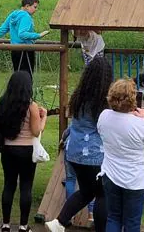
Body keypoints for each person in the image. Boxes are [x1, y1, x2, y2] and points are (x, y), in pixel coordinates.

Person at [45, 56, 113, 232]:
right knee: (102, 194)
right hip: (94, 155)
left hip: (74, 152)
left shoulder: (79, 97)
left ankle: (59, 222)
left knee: (86, 192)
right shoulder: (102, 102)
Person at [97, 79, 144, 232]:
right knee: (132, 222)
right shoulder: (139, 125)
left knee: (113, 217)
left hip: (111, 174)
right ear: (132, 99)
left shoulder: (104, 116)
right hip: (135, 180)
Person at [0, 71, 46, 232]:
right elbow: (36, 131)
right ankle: (23, 226)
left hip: (7, 148)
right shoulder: (31, 105)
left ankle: (5, 224)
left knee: (8, 185)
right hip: (26, 150)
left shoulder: (3, 102)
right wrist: (43, 117)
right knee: (26, 186)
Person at [0, 0, 50, 79]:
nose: (36, 10)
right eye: (35, 7)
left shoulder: (13, 15)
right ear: (27, 6)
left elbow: (2, 30)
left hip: (15, 50)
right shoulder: (26, 16)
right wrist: (38, 35)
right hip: (26, 50)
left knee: (17, 76)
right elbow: (22, 34)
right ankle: (26, 92)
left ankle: (16, 92)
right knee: (27, 77)